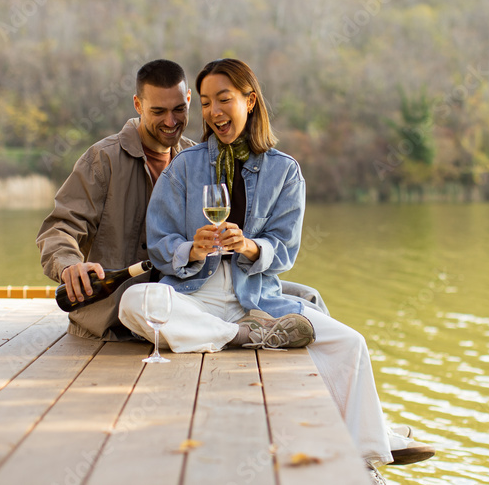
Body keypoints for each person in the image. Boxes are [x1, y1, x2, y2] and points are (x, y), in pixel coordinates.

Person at [117, 58, 434, 481]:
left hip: (257, 298)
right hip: (195, 295)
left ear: (250, 101)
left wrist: (249, 246)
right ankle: (239, 336)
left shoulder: (284, 171)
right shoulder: (185, 167)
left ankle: (364, 457)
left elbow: (285, 249)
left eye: (223, 99)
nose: (213, 112)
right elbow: (159, 243)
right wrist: (191, 249)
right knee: (135, 301)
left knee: (351, 343)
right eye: (206, 102)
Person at [37, 59, 326, 341]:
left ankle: (246, 329)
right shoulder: (103, 159)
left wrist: (240, 247)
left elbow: (269, 248)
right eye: (158, 111)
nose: (170, 121)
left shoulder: (196, 159)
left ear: (189, 100)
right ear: (138, 105)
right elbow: (60, 227)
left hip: (189, 293)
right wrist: (69, 265)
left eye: (178, 109)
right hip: (119, 311)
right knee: (135, 301)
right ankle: (240, 334)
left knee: (309, 297)